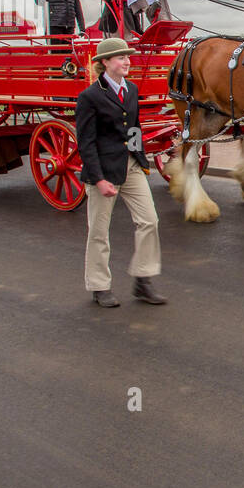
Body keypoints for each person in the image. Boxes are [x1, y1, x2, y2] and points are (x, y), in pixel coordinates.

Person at [75, 36, 167, 307]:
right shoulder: (89, 97)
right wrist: (99, 179)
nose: (127, 61)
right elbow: (86, 142)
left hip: (132, 166)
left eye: (128, 57)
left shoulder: (132, 89)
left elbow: (134, 126)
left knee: (149, 220)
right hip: (103, 170)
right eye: (121, 57)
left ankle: (143, 279)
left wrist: (142, 158)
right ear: (105, 63)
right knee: (99, 232)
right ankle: (99, 286)